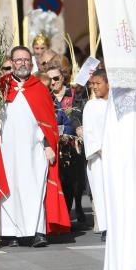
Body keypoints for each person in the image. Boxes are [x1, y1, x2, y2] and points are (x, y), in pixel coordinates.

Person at [0, 46, 70, 247]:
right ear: (12, 63)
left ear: (31, 63)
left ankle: (36, 231)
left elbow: (48, 121)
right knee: (10, 189)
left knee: (35, 189)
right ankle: (10, 232)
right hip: (7, 150)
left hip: (34, 149)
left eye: (25, 60)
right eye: (18, 60)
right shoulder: (1, 86)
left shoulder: (39, 88)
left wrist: (49, 145)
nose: (22, 63)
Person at [44, 62, 88, 227]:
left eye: (56, 78)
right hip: (54, 144)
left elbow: (77, 114)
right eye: (50, 79)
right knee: (61, 181)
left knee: (75, 182)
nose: (53, 82)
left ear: (63, 77)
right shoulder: (47, 96)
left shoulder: (73, 93)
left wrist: (77, 128)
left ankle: (76, 206)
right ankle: (64, 216)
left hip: (72, 143)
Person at [80, 68, 109, 238]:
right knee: (101, 191)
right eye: (92, 84)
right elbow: (89, 132)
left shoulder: (117, 103)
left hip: (118, 155)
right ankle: (106, 227)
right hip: (99, 157)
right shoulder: (91, 105)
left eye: (98, 83)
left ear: (108, 83)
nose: (94, 87)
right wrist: (100, 149)